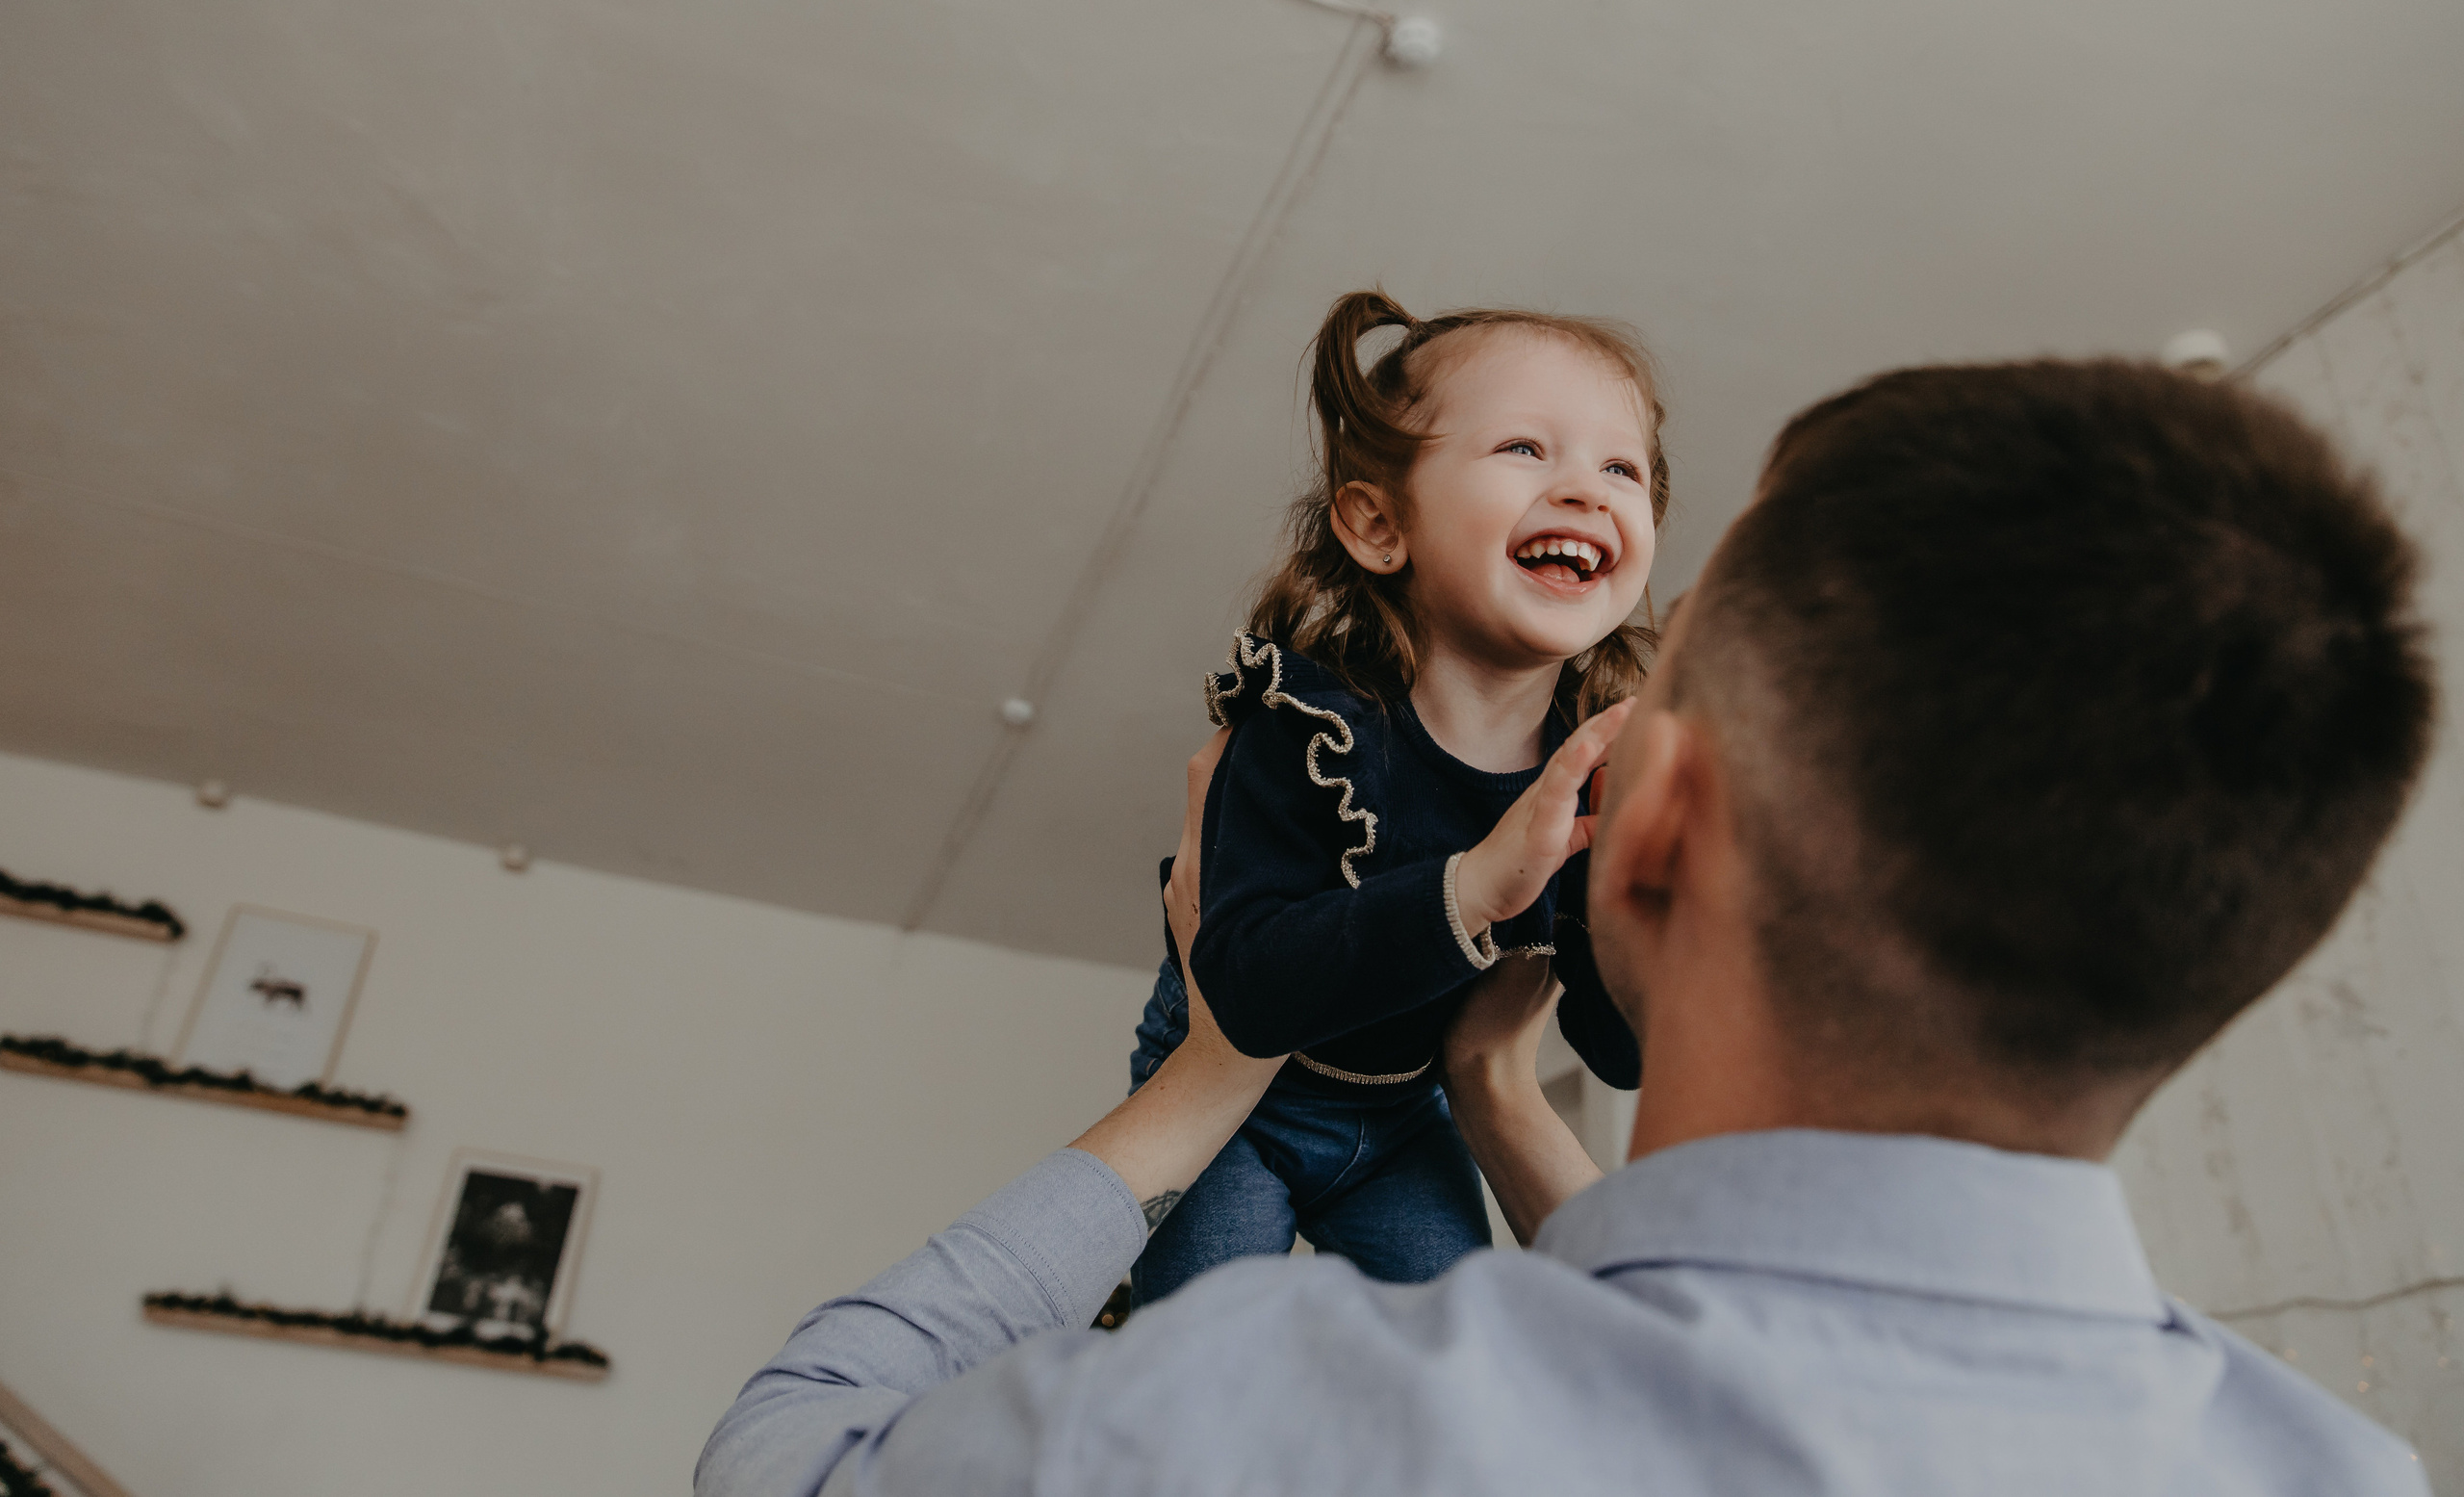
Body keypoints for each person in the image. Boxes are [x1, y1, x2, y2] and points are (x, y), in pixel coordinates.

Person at [698, 359, 2437, 1496]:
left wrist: (1193, 1090)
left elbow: (785, 1454)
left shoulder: (1259, 1425)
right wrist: (1499, 1100)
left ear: (1652, 824)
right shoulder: (2343, 1471)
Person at [1128, 289, 1659, 1303]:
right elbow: (1246, 993)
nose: (1587, 492)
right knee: (1202, 1346)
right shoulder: (1305, 725)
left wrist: (1655, 906)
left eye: (1620, 469)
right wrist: (1472, 889)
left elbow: (1621, 1055)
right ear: (1378, 524)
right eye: (1524, 448)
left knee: (1452, 1348)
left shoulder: (1595, 772)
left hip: (1405, 1116)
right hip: (1234, 1100)